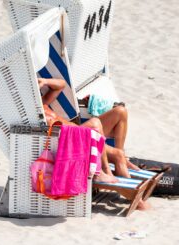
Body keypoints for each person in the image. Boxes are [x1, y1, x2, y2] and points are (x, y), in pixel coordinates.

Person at [38, 78, 150, 209]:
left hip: (83, 136)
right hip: (75, 143)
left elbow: (60, 84)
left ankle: (138, 200)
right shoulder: (37, 115)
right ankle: (104, 171)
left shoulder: (43, 104)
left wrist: (43, 81)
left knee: (120, 114)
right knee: (95, 123)